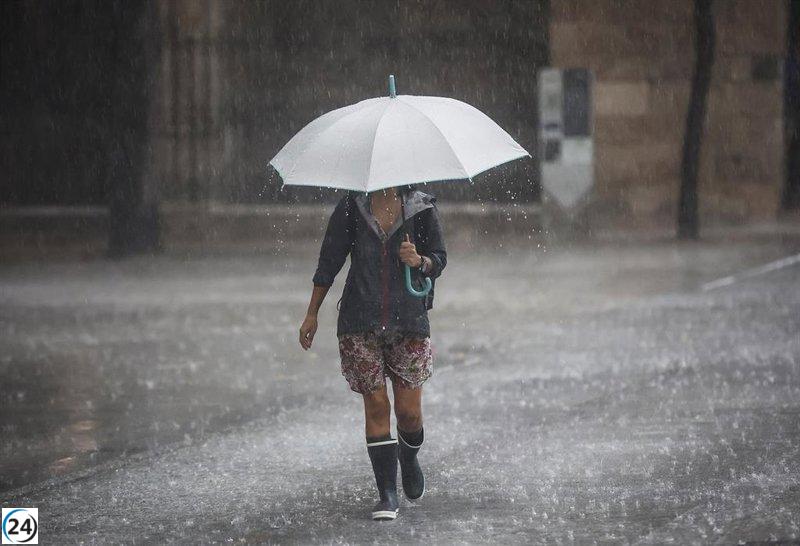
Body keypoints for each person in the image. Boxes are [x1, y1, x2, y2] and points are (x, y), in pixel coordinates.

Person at [299, 184, 447, 520]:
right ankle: (387, 494)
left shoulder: (420, 208)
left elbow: (439, 258)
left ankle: (407, 461)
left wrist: (420, 260)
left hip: (409, 319)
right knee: (377, 405)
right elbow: (329, 260)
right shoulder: (353, 207)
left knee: (409, 413)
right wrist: (312, 313)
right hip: (359, 319)